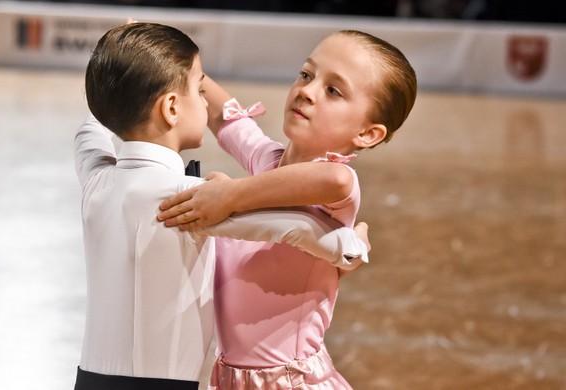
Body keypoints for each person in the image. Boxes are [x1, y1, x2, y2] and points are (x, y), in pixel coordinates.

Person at [74, 22, 372, 389]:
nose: (204, 99)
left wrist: (123, 72)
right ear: (171, 107)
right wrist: (351, 245)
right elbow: (294, 228)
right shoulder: (195, 198)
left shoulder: (99, 181)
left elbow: (89, 135)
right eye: (198, 91)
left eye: (332, 90)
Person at [158, 29, 418, 389]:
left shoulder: (335, 189)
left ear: (367, 134)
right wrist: (167, 60)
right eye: (306, 74)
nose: (307, 91)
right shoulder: (269, 162)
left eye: (333, 91)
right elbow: (227, 119)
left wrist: (230, 196)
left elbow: (335, 179)